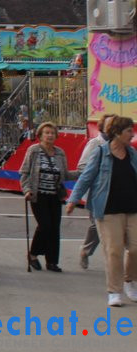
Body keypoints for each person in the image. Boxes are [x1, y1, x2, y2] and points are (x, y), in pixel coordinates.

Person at [66, 116, 137, 307]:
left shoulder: (132, 153)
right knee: (114, 251)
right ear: (118, 132)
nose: (132, 134)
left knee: (135, 248)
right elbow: (86, 177)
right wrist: (73, 199)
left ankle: (130, 280)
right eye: (129, 131)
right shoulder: (100, 152)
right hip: (108, 209)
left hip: (132, 208)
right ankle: (114, 291)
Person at [20, 122, 77, 272]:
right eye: (47, 133)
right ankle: (32, 254)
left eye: (52, 133)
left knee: (54, 228)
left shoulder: (60, 152)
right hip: (38, 195)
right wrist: (26, 190)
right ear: (40, 135)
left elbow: (65, 174)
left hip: (55, 196)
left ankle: (52, 261)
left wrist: (83, 172)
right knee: (45, 226)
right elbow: (24, 172)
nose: (50, 135)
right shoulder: (33, 150)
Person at [76, 114, 114, 269]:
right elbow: (82, 166)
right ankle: (85, 251)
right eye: (110, 124)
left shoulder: (120, 145)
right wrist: (100, 176)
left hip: (116, 194)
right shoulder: (95, 144)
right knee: (97, 225)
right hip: (98, 193)